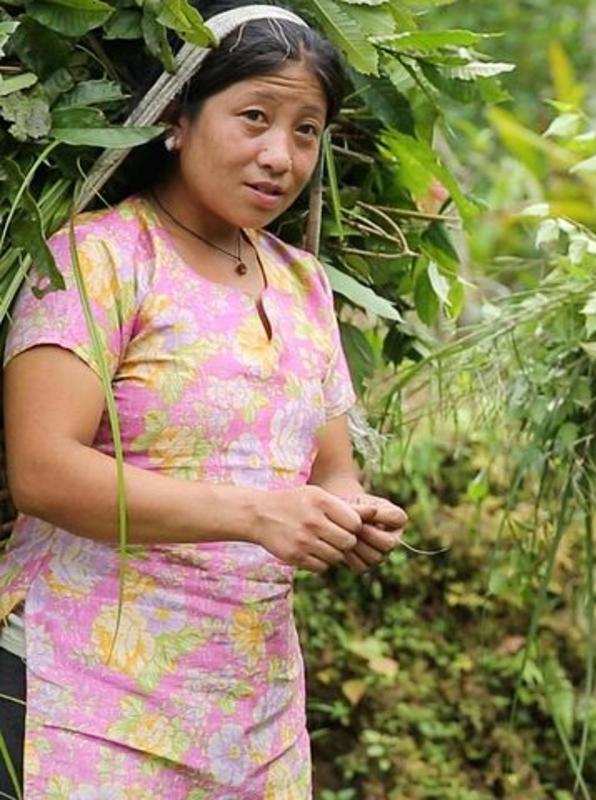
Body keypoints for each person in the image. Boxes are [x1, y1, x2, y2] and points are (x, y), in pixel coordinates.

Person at [0, 2, 408, 794]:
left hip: (256, 716)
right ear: (178, 120)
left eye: (305, 130)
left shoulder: (303, 284)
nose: (279, 156)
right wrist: (256, 514)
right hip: (85, 698)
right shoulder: (100, 258)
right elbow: (42, 472)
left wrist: (350, 515)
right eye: (253, 117)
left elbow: (330, 469)